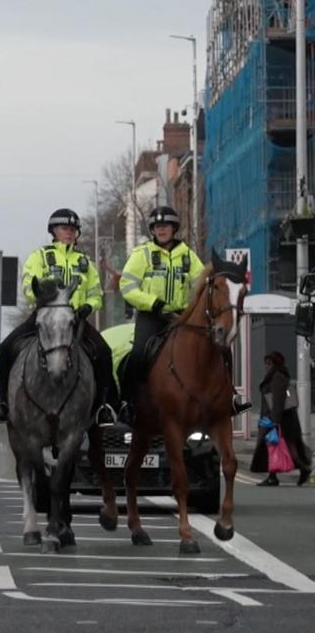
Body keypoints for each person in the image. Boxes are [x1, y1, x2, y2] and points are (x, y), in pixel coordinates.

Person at [0, 208, 122, 427]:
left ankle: (104, 406)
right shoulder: (40, 257)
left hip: (76, 320)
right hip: (45, 317)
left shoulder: (85, 262)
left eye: (73, 229)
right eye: (64, 229)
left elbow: (96, 293)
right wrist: (45, 298)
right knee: (6, 347)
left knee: (103, 352)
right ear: (53, 231)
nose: (69, 233)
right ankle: (1, 400)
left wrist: (86, 309)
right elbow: (28, 284)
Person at [119, 205, 251, 414]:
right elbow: (127, 287)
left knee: (221, 350)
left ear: (174, 229)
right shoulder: (141, 255)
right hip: (152, 315)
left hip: (182, 315)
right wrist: (153, 303)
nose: (162, 230)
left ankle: (230, 397)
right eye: (157, 227)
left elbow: (204, 287)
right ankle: (128, 402)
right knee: (138, 353)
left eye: (166, 226)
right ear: (152, 230)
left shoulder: (188, 256)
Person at [250, 351, 312, 486]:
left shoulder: (277, 377)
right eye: (266, 363)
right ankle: (275, 475)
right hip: (279, 419)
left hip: (279, 420)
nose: (266, 366)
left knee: (283, 448)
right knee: (275, 448)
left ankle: (302, 469)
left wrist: (274, 421)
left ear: (275, 364)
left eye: (269, 363)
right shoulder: (276, 376)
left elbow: (278, 400)